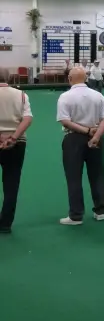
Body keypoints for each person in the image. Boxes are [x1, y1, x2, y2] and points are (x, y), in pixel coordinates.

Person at [57, 66, 104, 226]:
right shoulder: (98, 96)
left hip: (73, 139)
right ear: (86, 78)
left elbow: (65, 121)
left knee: (74, 177)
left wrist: (86, 131)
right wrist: (96, 135)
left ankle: (76, 215)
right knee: (98, 175)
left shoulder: (65, 97)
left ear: (70, 79)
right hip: (97, 137)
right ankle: (100, 211)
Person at [0, 68, 32, 234]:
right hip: (17, 143)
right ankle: (5, 223)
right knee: (11, 182)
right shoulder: (21, 95)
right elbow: (27, 118)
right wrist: (12, 138)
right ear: (10, 77)